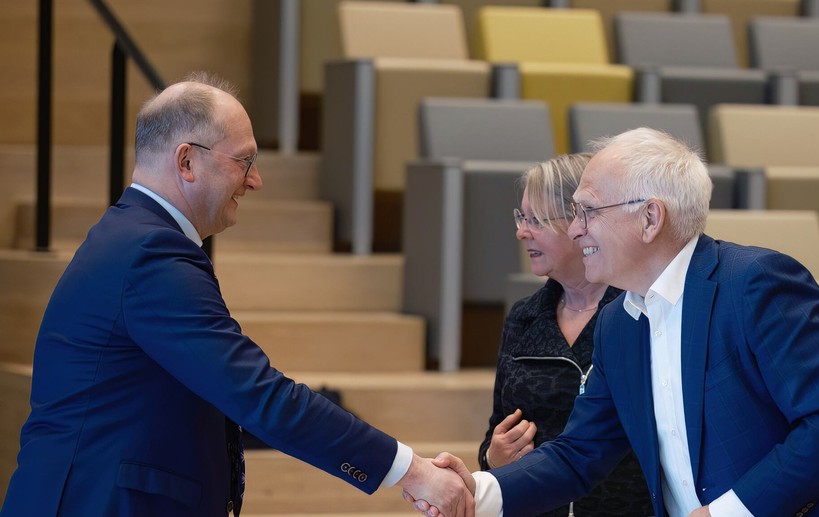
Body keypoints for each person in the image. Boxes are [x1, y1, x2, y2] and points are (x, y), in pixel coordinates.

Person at [0, 72, 472, 517]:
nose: (255, 180)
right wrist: (411, 470)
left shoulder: (135, 236)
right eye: (243, 161)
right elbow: (258, 394)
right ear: (186, 161)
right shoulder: (150, 252)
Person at [413, 127, 819, 517]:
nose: (575, 227)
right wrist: (477, 491)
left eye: (587, 211)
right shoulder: (618, 325)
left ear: (649, 219)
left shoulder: (755, 283)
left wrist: (729, 513)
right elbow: (578, 454)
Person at [481, 154, 651, 516]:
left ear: (582, 221)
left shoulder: (639, 311)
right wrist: (493, 459)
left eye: (537, 220)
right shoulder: (524, 317)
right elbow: (496, 431)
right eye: (520, 217)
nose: (521, 231)